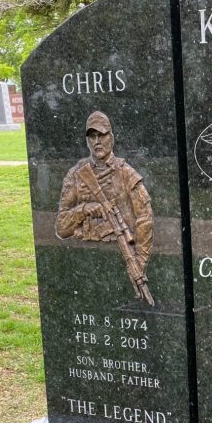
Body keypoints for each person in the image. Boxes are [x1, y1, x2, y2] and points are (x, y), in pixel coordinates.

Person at [56, 111, 155, 304]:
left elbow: (145, 218)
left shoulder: (126, 174)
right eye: (92, 137)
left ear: (112, 138)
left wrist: (138, 263)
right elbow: (61, 228)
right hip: (83, 261)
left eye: (102, 135)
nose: (97, 141)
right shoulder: (75, 175)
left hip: (119, 257)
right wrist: (83, 209)